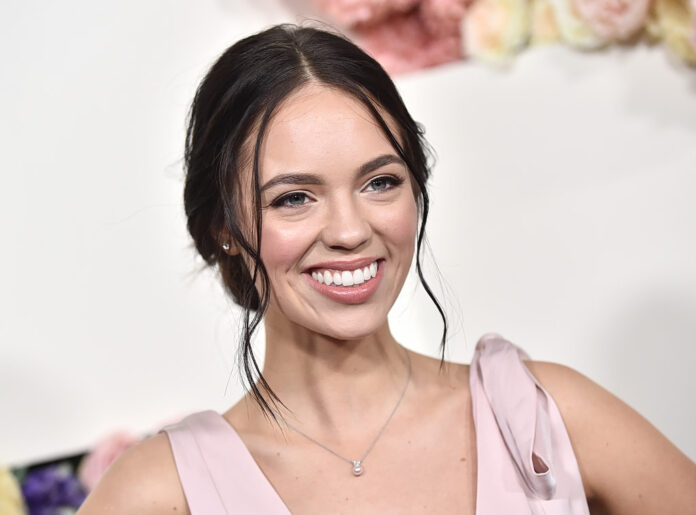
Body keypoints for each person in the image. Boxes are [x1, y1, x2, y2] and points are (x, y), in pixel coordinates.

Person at [77, 23, 696, 514]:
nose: (350, 231)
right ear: (224, 228)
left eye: (380, 182)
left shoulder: (546, 418)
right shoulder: (160, 493)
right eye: (294, 198)